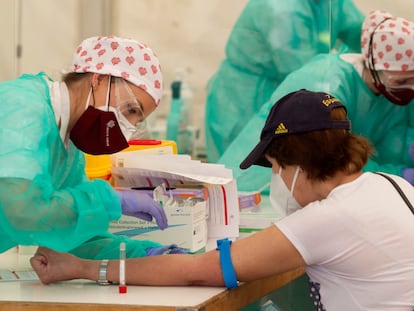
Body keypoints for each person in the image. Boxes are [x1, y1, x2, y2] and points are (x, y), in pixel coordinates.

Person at [30, 90, 414, 310]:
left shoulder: (330, 219)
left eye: (277, 166)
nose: (278, 178)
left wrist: (82, 268)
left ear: (300, 161)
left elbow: (200, 270)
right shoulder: (389, 184)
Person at [0, 35, 184, 260]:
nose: (127, 129)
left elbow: (69, 231)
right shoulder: (23, 108)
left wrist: (147, 253)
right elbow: (22, 211)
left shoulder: (69, 148)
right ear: (98, 79)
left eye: (137, 121)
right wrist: (109, 200)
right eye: (131, 110)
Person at [218, 10, 414, 216]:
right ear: (374, 65)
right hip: (271, 188)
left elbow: (394, 141)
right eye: (401, 81)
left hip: (325, 191)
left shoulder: (392, 90)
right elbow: (328, 159)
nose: (409, 88)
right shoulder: (327, 82)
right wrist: (396, 176)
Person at [205, 0, 364, 163]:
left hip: (285, 91)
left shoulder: (332, 3)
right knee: (239, 170)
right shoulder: (283, 9)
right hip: (241, 100)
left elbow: (361, 34)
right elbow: (304, 73)